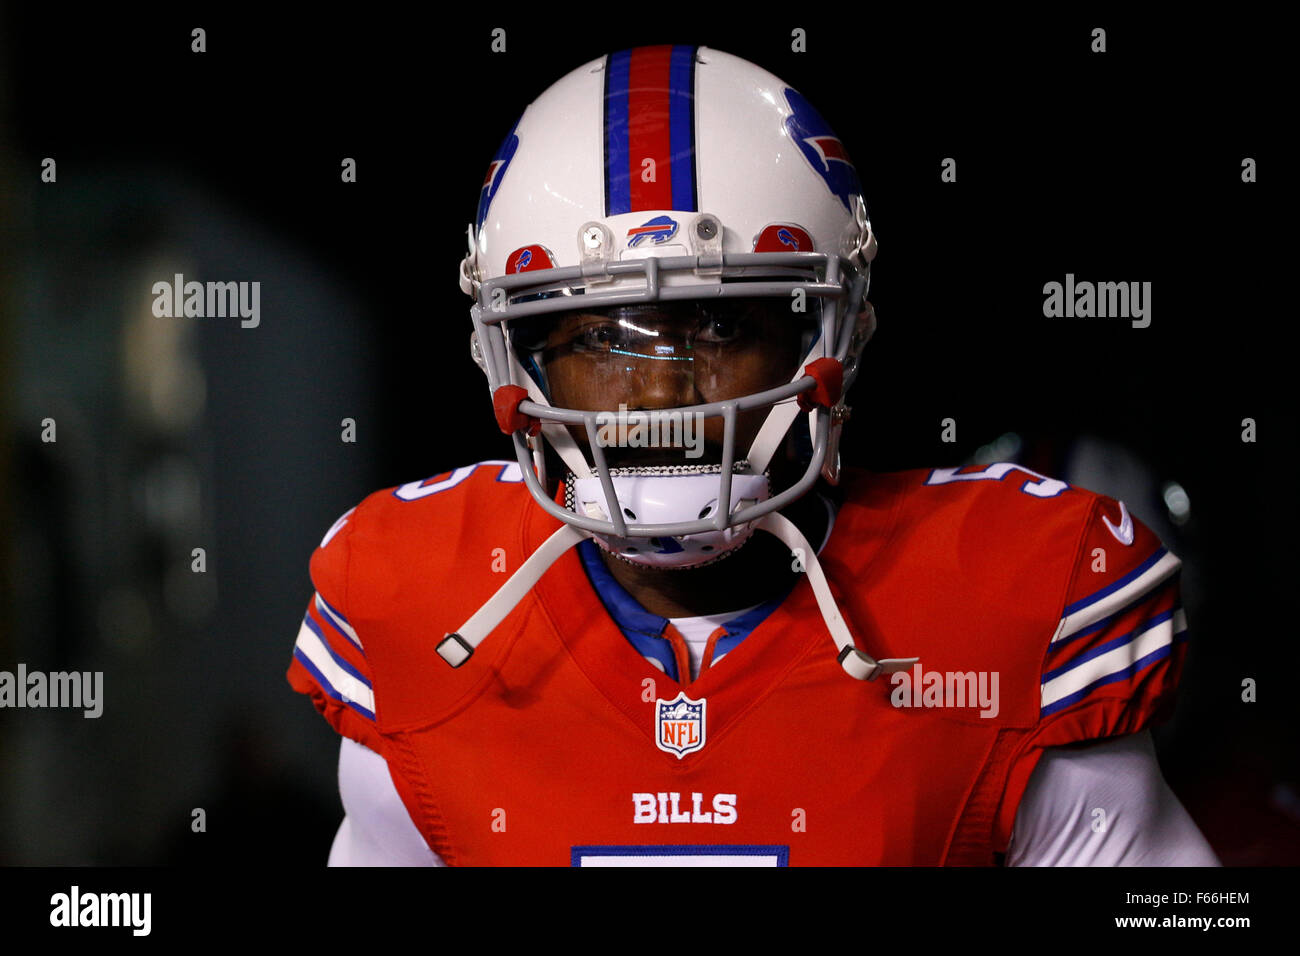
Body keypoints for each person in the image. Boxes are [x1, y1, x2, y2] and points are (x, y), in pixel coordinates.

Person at [288, 45, 1219, 866]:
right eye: (600, 340)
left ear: (834, 338)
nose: (658, 394)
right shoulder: (416, 605)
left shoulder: (1002, 597)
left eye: (723, 323)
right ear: (510, 359)